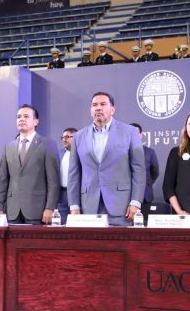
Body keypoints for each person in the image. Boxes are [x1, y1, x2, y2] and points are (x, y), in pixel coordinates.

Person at [68, 92, 145, 226]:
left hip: (121, 206)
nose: (98, 108)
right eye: (94, 105)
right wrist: (74, 205)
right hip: (88, 206)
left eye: (103, 104)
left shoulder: (130, 132)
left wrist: (136, 202)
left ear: (112, 109)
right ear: (90, 110)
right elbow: (73, 174)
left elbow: (139, 170)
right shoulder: (78, 137)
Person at [0, 105, 60, 224]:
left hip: (38, 210)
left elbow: (53, 181)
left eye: (26, 116)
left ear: (36, 121)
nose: (21, 119)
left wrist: (50, 208)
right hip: (12, 211)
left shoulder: (48, 144)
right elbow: (2, 180)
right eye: (19, 117)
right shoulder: (8, 147)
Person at [130, 123, 159, 220]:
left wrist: (144, 184)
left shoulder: (150, 152)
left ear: (141, 135)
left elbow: (155, 172)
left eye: (136, 133)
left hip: (145, 196)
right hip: (125, 198)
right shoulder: (121, 152)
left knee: (146, 224)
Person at [57, 127, 76, 224]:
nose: (64, 139)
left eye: (68, 137)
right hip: (62, 193)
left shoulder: (82, 154)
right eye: (63, 137)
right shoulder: (59, 153)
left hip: (76, 193)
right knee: (62, 223)